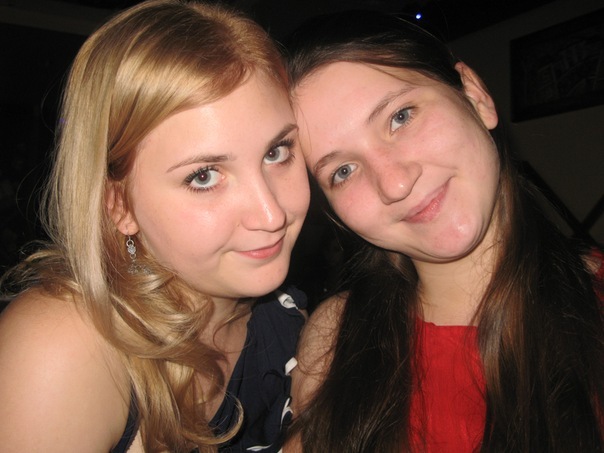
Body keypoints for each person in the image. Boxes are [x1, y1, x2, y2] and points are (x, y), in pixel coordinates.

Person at [283, 10, 604, 453]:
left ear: (475, 96)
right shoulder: (334, 339)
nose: (395, 183)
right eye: (343, 170)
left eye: (400, 117)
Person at [0, 1, 311, 451]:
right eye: (203, 176)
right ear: (119, 204)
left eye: (277, 152)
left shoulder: (291, 321)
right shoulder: (62, 348)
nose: (271, 214)